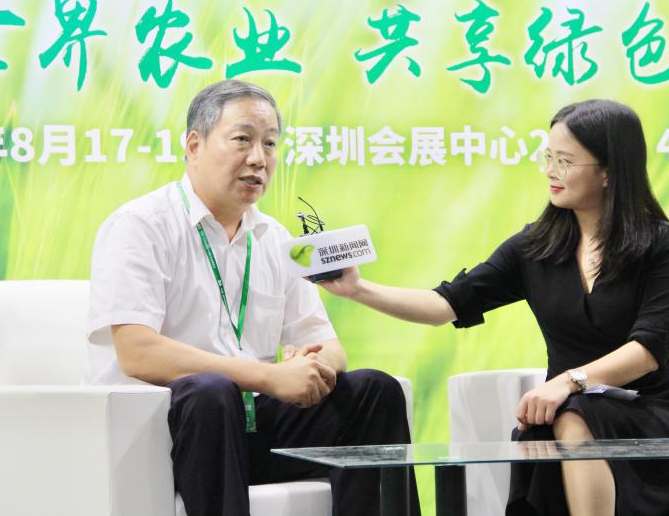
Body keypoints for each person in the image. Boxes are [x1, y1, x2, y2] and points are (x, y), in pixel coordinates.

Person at [320, 99, 669, 515]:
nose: (550, 171)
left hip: (648, 410)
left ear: (609, 171)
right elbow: (443, 305)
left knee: (574, 416)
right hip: (562, 411)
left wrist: (569, 382)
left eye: (565, 161)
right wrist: (357, 289)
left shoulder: (663, 244)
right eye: (548, 157)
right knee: (561, 421)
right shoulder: (535, 246)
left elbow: (649, 349)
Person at [85, 79, 420, 516]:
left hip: (249, 423)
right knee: (211, 392)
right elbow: (137, 352)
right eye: (242, 139)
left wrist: (310, 363)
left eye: (270, 144)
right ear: (194, 145)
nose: (259, 159)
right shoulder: (141, 225)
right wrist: (268, 377)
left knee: (375, 390)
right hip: (162, 431)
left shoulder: (275, 238)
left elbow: (330, 345)